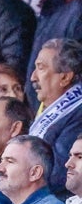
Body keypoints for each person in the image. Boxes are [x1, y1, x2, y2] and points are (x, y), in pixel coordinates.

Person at [29, 38, 82, 195]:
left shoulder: (78, 115)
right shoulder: (46, 111)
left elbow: (60, 175)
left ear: (65, 77)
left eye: (41, 68)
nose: (33, 77)